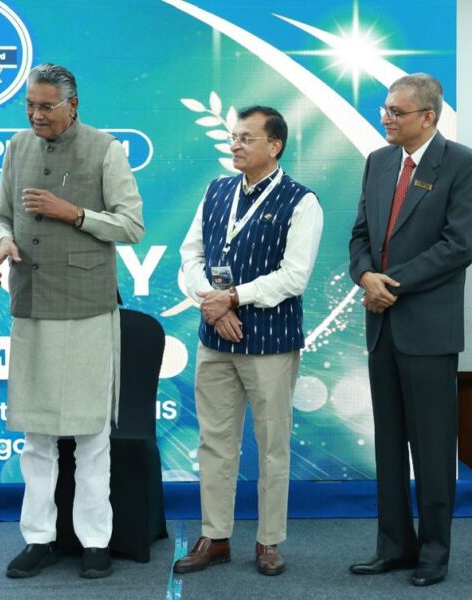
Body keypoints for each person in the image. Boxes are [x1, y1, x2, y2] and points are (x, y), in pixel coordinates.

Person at [0, 63, 144, 580]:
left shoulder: (105, 149)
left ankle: (95, 541)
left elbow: (132, 226)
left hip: (87, 307)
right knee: (36, 434)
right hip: (32, 302)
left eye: (46, 106)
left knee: (90, 434)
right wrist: (2, 241)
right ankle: (39, 538)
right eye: (30, 106)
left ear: (73, 105)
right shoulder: (17, 147)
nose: (36, 115)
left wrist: (72, 213)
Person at [346, 73, 472, 587]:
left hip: (427, 328)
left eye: (396, 112)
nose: (386, 118)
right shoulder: (378, 162)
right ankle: (393, 546)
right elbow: (360, 234)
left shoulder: (464, 163)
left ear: (428, 116)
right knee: (388, 445)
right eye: (385, 109)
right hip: (381, 323)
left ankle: (433, 553)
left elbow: (458, 246)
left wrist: (391, 285)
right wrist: (365, 275)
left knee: (431, 448)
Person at [173, 106, 323, 576]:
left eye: (245, 138)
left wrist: (234, 297)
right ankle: (215, 536)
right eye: (233, 137)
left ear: (274, 146)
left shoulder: (301, 201)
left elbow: (294, 276)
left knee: (272, 444)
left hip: (270, 342)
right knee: (215, 442)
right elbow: (191, 254)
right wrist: (213, 304)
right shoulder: (216, 190)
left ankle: (268, 541)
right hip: (215, 338)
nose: (234, 145)